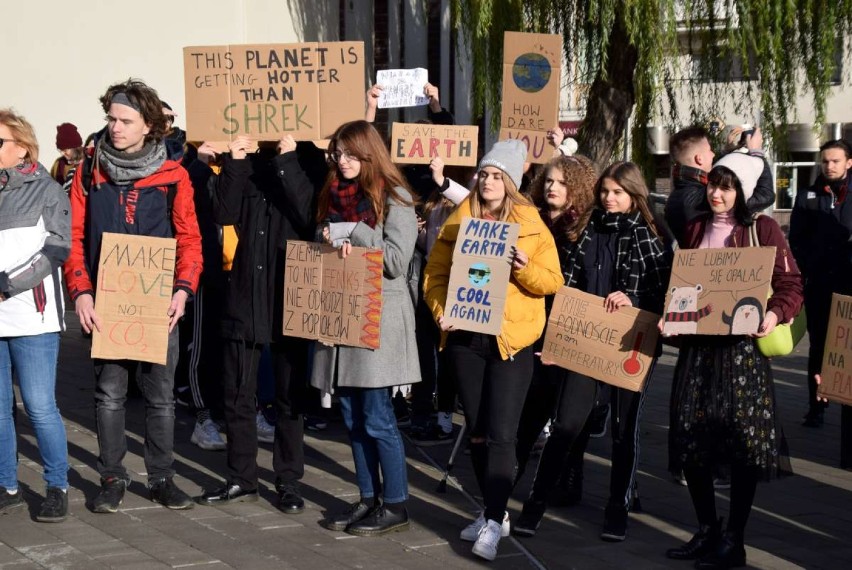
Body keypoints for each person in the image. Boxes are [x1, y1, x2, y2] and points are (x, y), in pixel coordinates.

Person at [64, 79, 203, 513]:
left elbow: (190, 239)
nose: (115, 127)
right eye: (111, 119)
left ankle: (161, 477)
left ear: (149, 126)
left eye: (125, 121)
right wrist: (81, 293)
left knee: (161, 397)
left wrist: (183, 291)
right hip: (106, 301)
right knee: (109, 394)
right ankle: (112, 477)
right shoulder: (91, 170)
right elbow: (72, 237)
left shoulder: (174, 175)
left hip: (158, 302)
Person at [514, 161, 670, 543]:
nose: (609, 199)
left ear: (634, 195)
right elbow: (564, 287)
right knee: (567, 422)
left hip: (630, 342)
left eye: (617, 192)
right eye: (604, 192)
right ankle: (535, 502)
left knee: (622, 430)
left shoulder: (649, 236)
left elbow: (664, 293)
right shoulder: (585, 230)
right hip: (585, 339)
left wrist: (632, 297)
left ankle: (617, 507)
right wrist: (557, 341)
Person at [423, 139, 563, 561]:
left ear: (512, 182)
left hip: (511, 341)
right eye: (484, 173)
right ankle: (491, 513)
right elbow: (435, 274)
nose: (488, 181)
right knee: (480, 434)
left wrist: (524, 268)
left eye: (497, 175)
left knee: (502, 434)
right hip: (465, 339)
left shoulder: (532, 224)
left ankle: (494, 520)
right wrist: (440, 311)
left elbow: (551, 281)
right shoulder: (458, 218)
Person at [665, 152, 802, 569]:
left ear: (741, 191)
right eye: (713, 184)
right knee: (691, 438)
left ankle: (735, 538)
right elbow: (684, 283)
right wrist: (672, 313)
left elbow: (791, 283)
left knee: (743, 444)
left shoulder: (763, 229)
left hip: (741, 352)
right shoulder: (694, 226)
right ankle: (708, 528)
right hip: (699, 349)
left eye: (726, 186)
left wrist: (774, 313)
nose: (717, 193)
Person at [196, 134, 324, 512]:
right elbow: (224, 213)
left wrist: (288, 161)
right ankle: (241, 477)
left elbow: (309, 215)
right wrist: (234, 162)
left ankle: (288, 481)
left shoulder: (310, 160)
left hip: (290, 293)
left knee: (290, 398)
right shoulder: (244, 158)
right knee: (237, 393)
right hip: (245, 293)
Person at [313, 120, 419, 536]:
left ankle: (396, 504)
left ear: (369, 153)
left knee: (377, 417)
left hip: (377, 320)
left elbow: (396, 261)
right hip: (342, 315)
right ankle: (367, 497)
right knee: (352, 416)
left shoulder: (397, 199)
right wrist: (327, 239)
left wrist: (354, 233)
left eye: (350, 153)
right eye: (337, 153)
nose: (342, 161)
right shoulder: (333, 195)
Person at [0, 109, 72, 522]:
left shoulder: (47, 189)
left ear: (22, 147)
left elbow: (56, 250)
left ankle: (56, 485)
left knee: (40, 406)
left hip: (32, 317)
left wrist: (6, 285)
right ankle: (7, 485)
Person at [513, 153, 598, 487]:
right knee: (531, 402)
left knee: (568, 410)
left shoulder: (584, 226)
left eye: (562, 182)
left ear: (576, 188)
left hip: (568, 321)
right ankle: (513, 470)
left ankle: (568, 473)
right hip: (532, 316)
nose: (552, 187)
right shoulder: (530, 219)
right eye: (548, 180)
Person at [789, 139, 852, 432]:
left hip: (850, 284)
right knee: (819, 347)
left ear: (848, 163)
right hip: (821, 284)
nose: (829, 166)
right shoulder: (807, 196)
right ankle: (817, 407)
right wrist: (810, 266)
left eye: (836, 161)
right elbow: (796, 240)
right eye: (825, 161)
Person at [664, 125, 775, 247]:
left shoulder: (679, 195)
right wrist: (757, 153)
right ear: (699, 159)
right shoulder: (701, 199)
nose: (713, 154)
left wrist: (726, 153)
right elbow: (765, 195)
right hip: (717, 264)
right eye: (710, 150)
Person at [50, 123, 84, 192]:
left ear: (75, 147)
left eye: (65, 150)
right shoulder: (58, 164)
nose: (62, 153)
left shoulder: (88, 161)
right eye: (60, 150)